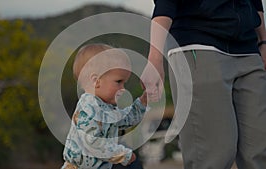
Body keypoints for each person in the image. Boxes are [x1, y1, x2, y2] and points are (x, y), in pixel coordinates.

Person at [140, 0, 266, 168]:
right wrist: (154, 59)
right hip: (197, 42)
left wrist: (263, 41)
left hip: (249, 47)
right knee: (214, 154)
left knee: (258, 151)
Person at [61, 44, 147, 169]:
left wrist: (142, 103)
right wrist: (122, 154)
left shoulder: (106, 107)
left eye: (124, 83)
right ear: (96, 81)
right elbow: (94, 143)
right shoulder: (89, 108)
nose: (123, 89)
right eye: (118, 82)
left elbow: (125, 119)